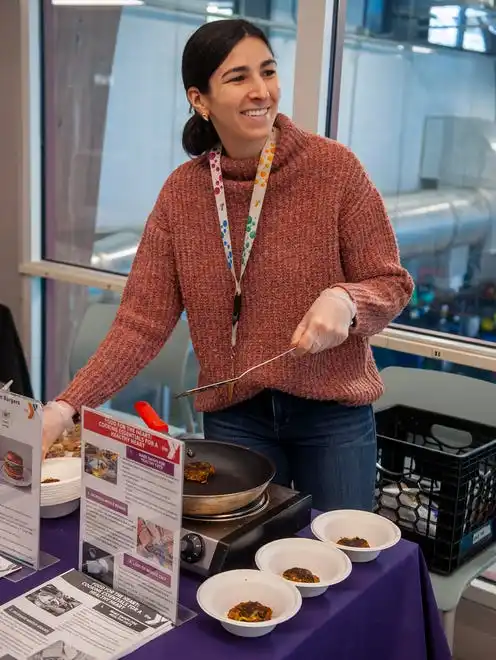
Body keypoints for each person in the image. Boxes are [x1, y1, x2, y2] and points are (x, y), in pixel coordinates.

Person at [41, 18, 413, 512]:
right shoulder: (182, 194)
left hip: (332, 415)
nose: (261, 91)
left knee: (338, 561)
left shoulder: (335, 170)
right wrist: (67, 405)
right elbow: (140, 322)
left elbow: (391, 284)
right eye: (238, 78)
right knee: (244, 565)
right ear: (200, 99)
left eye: (268, 72)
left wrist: (347, 300)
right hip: (235, 415)